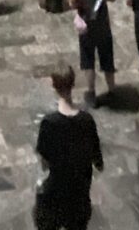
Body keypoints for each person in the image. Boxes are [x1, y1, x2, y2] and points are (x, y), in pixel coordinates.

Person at [34, 62, 103, 230]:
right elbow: (98, 162)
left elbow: (44, 164)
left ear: (54, 86)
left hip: (56, 194)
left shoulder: (49, 124)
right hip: (80, 196)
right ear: (73, 84)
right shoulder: (87, 121)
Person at [70, 0, 116, 107]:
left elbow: (72, 4)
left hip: (87, 26)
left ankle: (91, 93)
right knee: (107, 58)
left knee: (88, 60)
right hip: (103, 25)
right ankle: (112, 90)